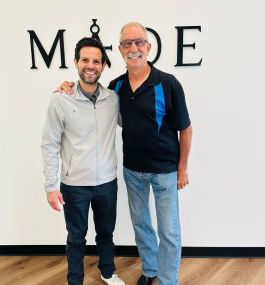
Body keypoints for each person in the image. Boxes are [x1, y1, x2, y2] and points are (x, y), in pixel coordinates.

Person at [59, 22, 192, 285]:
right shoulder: (116, 87)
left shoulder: (168, 83)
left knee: (169, 231)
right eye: (127, 43)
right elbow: (91, 99)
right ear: (119, 50)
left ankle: (167, 281)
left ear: (149, 46)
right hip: (133, 171)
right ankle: (151, 270)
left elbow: (186, 129)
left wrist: (182, 168)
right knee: (141, 226)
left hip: (165, 171)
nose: (134, 48)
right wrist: (68, 86)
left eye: (139, 42)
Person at [41, 37, 125, 285]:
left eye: (96, 61)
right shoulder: (60, 99)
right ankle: (74, 280)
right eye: (85, 60)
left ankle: (108, 272)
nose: (91, 65)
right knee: (76, 237)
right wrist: (50, 186)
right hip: (74, 184)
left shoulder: (113, 99)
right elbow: (49, 144)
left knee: (106, 233)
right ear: (76, 62)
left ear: (103, 66)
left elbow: (132, 123)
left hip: (107, 182)